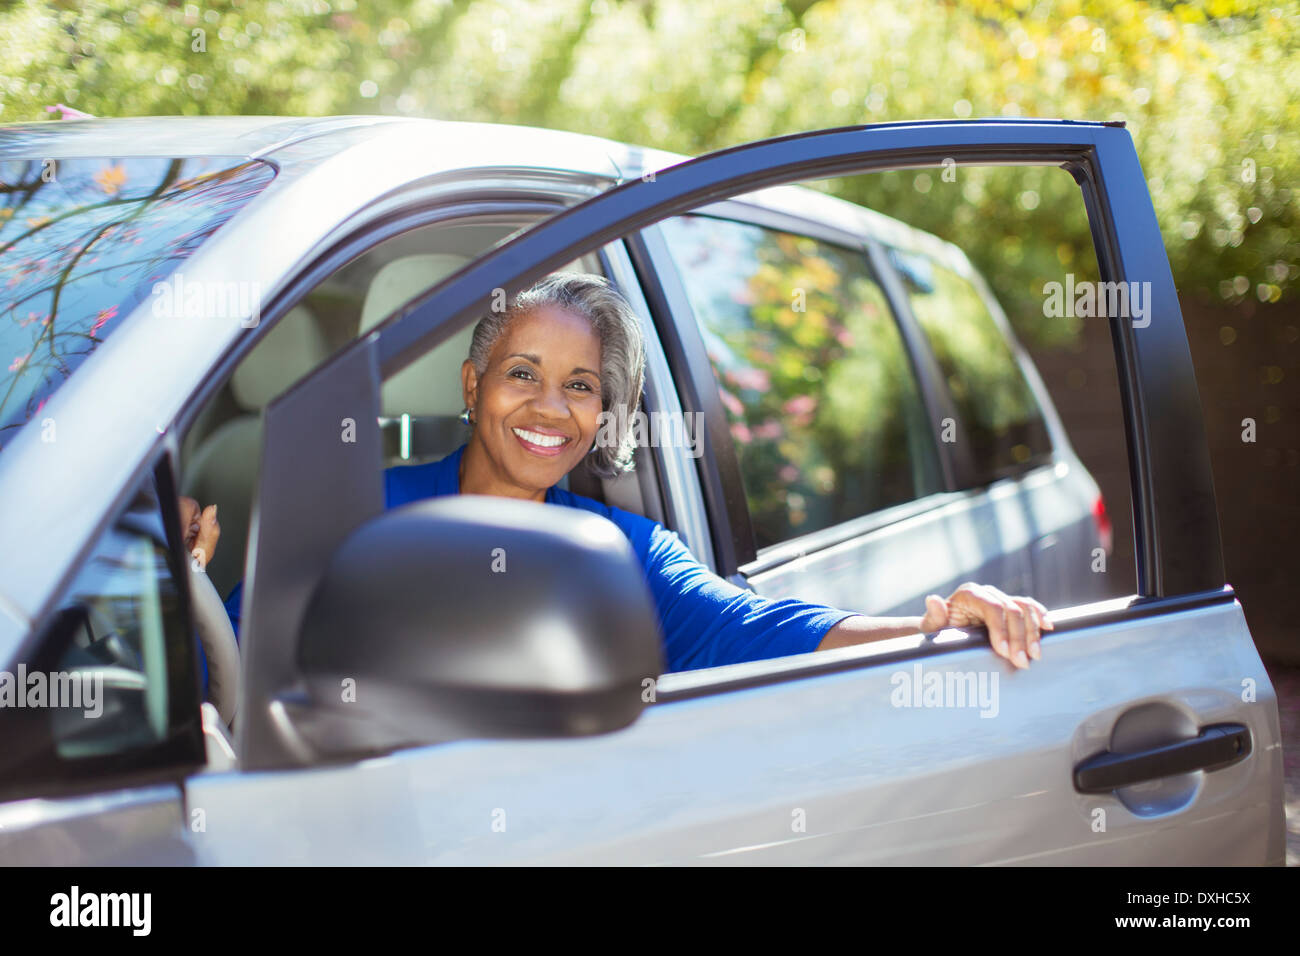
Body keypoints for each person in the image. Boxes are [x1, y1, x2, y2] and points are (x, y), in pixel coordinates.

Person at [183, 272, 1051, 676]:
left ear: (603, 415)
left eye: (581, 386)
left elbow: (767, 630)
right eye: (523, 373)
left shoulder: (623, 552)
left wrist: (938, 627)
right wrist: (168, 578)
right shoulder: (359, 507)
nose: (549, 409)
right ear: (472, 384)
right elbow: (231, 663)